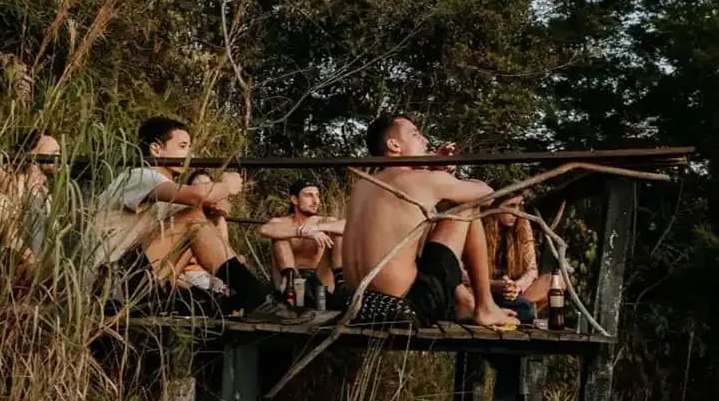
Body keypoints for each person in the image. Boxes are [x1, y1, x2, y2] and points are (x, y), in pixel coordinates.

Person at [91, 116, 297, 319]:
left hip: (136, 281)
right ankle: (257, 298)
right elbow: (197, 196)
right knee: (193, 217)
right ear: (156, 149)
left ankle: (238, 297)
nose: (188, 154)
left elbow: (201, 217)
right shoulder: (140, 175)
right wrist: (226, 186)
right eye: (182, 146)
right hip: (111, 283)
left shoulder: (163, 189)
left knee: (196, 223)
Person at [342, 113, 516, 328]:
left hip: (357, 305)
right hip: (405, 306)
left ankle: (465, 302)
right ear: (394, 145)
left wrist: (433, 170)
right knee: (465, 208)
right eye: (415, 134)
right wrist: (442, 173)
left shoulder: (362, 186)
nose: (425, 140)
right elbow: (486, 194)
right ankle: (486, 308)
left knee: (444, 218)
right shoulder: (425, 181)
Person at [260, 180, 346, 309]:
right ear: (294, 199)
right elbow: (265, 230)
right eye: (309, 195)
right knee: (280, 237)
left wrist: (316, 228)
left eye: (317, 195)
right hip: (292, 282)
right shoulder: (282, 222)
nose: (316, 200)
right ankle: (290, 289)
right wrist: (302, 232)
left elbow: (348, 226)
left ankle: (341, 285)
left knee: (338, 233)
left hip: (320, 280)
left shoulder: (325, 221)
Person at [0, 130, 62, 270]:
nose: (58, 157)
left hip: (45, 275)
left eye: (59, 152)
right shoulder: (13, 185)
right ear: (33, 152)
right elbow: (9, 233)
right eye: (54, 152)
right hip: (20, 270)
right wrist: (32, 261)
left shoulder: (46, 194)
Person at [483, 194, 548, 324]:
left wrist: (516, 286)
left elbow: (532, 269)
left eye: (519, 205)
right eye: (511, 206)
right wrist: (493, 285)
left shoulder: (522, 225)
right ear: (494, 206)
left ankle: (516, 309)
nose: (516, 212)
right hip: (483, 291)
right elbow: (463, 272)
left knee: (555, 281)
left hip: (513, 292)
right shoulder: (479, 225)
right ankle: (518, 311)